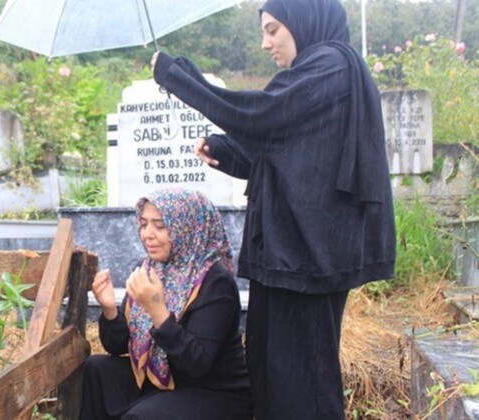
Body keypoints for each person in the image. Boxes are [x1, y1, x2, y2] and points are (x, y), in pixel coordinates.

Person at [150, 0, 396, 418]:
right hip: (287, 255)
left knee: (304, 388)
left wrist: (178, 77)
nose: (266, 43)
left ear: (304, 22)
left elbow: (261, 115)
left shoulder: (331, 66)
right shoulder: (314, 74)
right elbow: (290, 159)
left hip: (308, 260)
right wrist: (227, 153)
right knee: (270, 375)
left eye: (273, 30)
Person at [80, 188, 252, 420]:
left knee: (143, 417)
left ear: (187, 228)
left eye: (160, 226)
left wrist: (158, 312)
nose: (147, 234)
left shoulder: (215, 282)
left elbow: (197, 364)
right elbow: (119, 346)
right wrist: (110, 310)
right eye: (143, 224)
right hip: (163, 381)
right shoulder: (149, 269)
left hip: (213, 391)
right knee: (95, 369)